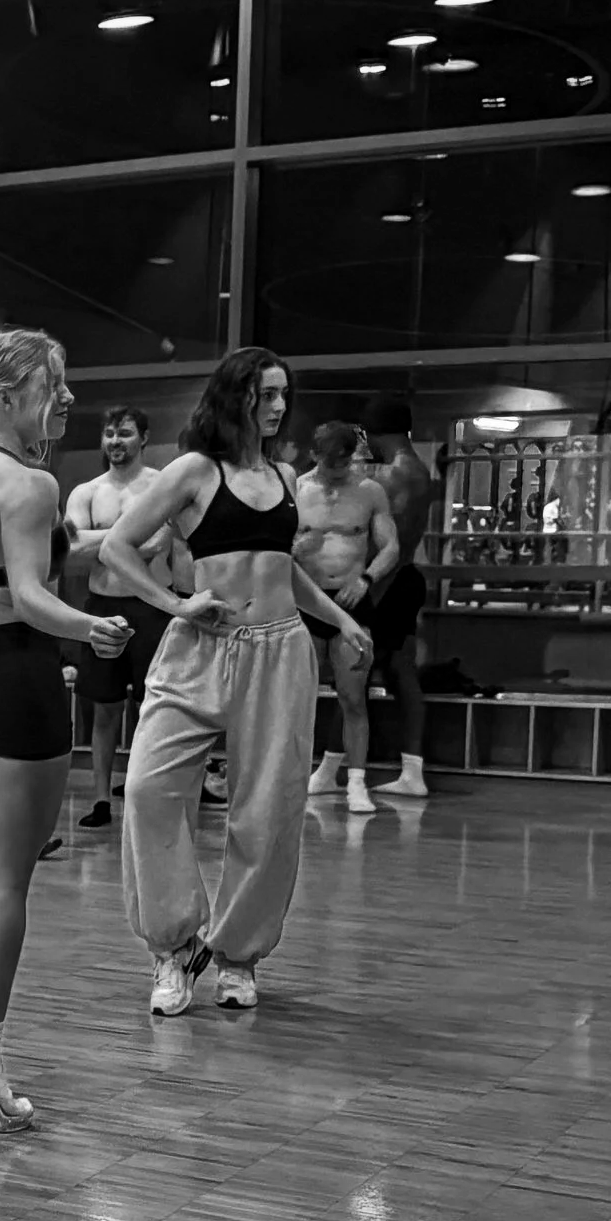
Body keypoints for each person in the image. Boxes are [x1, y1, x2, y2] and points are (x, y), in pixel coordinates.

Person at [99, 347, 373, 1017]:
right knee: (150, 788)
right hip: (199, 646)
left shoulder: (283, 475)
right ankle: (173, 946)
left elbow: (282, 569)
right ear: (235, 396)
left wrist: (341, 620)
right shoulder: (195, 470)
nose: (278, 406)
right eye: (265, 394)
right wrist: (176, 603)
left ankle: (238, 956)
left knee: (269, 809)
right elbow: (115, 547)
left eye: (283, 394)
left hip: (279, 651)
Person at [0, 334, 130, 1128]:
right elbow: (32, 597)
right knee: (8, 879)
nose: (65, 398)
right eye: (51, 385)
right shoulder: (32, 482)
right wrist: (92, 626)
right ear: (7, 400)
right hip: (14, 677)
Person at [61, 407, 175, 831]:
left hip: (152, 608)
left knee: (154, 708)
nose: (115, 442)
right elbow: (71, 550)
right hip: (103, 606)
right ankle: (101, 799)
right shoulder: (87, 491)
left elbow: (157, 545)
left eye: (124, 433)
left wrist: (102, 542)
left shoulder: (163, 485)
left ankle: (148, 795)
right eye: (109, 433)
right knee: (103, 708)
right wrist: (126, 539)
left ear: (143, 437)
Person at [294, 420, 401, 814]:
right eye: (330, 463)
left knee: (354, 696)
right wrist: (295, 548)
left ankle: (356, 782)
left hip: (351, 600)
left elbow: (391, 547)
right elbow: (269, 550)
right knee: (297, 700)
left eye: (343, 462)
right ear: (314, 455)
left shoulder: (369, 491)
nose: (337, 471)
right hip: (306, 600)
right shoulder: (296, 489)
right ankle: (292, 776)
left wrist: (367, 578)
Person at [358, 394, 436, 799]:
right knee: (398, 673)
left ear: (375, 434)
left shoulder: (395, 475)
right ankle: (411, 770)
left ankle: (339, 767)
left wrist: (367, 588)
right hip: (403, 578)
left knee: (355, 673)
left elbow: (389, 543)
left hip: (388, 581)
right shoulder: (417, 470)